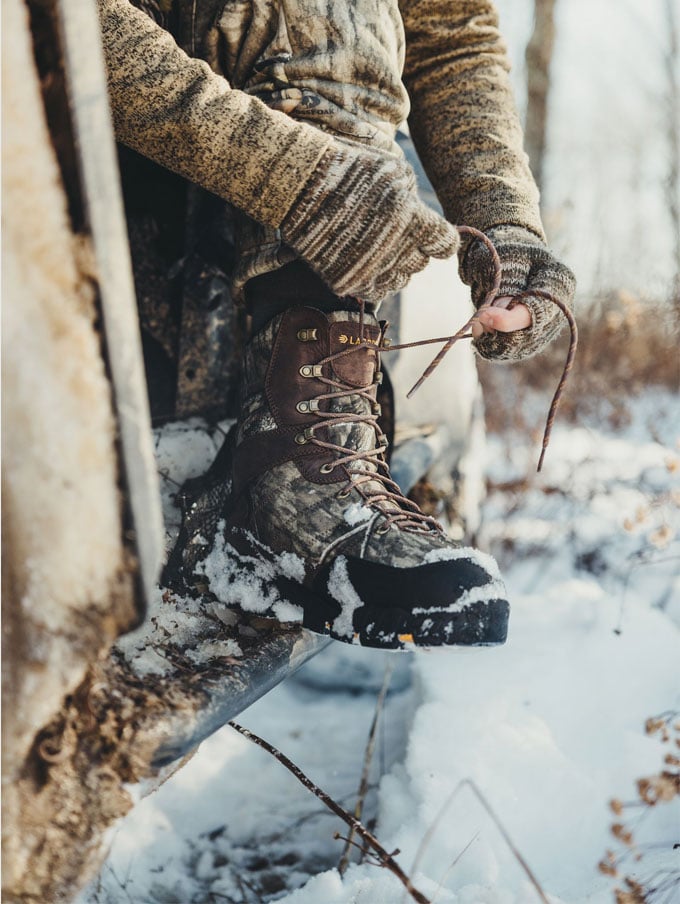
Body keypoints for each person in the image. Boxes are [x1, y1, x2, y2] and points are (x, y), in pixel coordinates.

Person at [97, 0, 575, 649]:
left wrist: (505, 222)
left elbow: (449, 27)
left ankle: (307, 445)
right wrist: (298, 181)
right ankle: (284, 488)